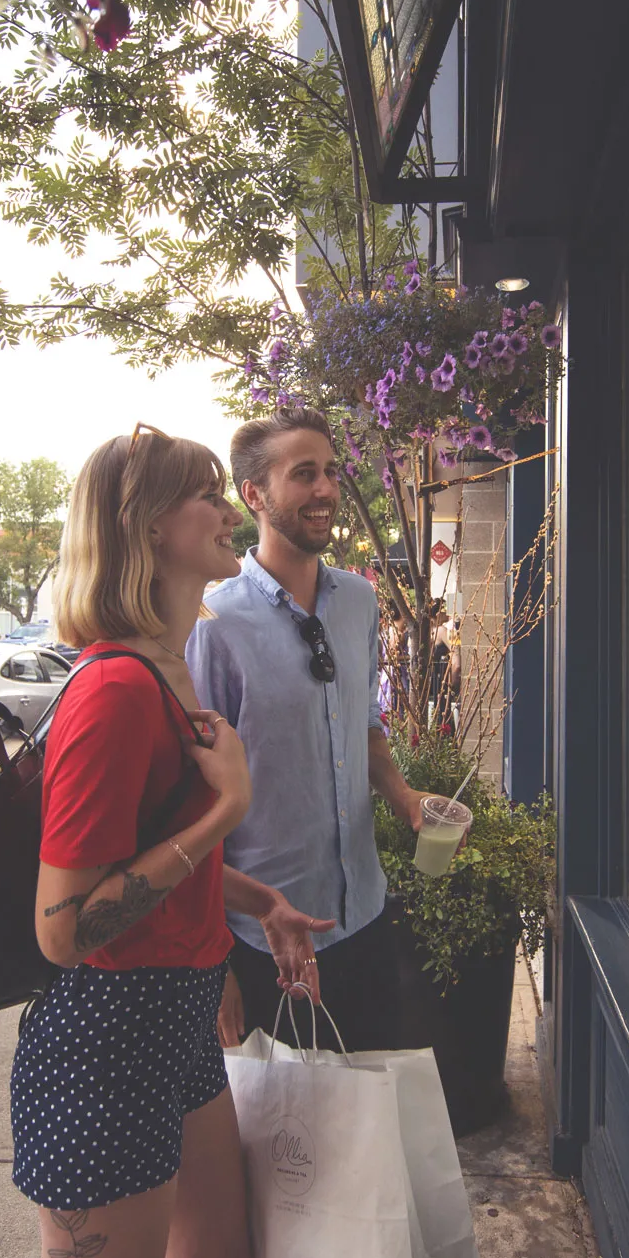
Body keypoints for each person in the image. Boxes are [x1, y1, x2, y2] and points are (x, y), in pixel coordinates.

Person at [13, 423, 289, 1258]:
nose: (226, 510)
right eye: (207, 493)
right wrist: (228, 813)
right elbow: (65, 930)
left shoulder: (169, 671)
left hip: (177, 1021)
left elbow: (158, 858)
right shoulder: (115, 690)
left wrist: (256, 901)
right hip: (107, 1036)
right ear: (150, 526)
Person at [189, 406, 441, 1053]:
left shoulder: (359, 599)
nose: (326, 489)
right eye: (304, 474)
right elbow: (193, 801)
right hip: (268, 942)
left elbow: (367, 727)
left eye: (330, 471)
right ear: (255, 495)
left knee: (368, 1132)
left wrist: (406, 799)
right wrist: (214, 963)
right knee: (291, 1148)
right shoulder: (214, 620)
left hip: (365, 917)